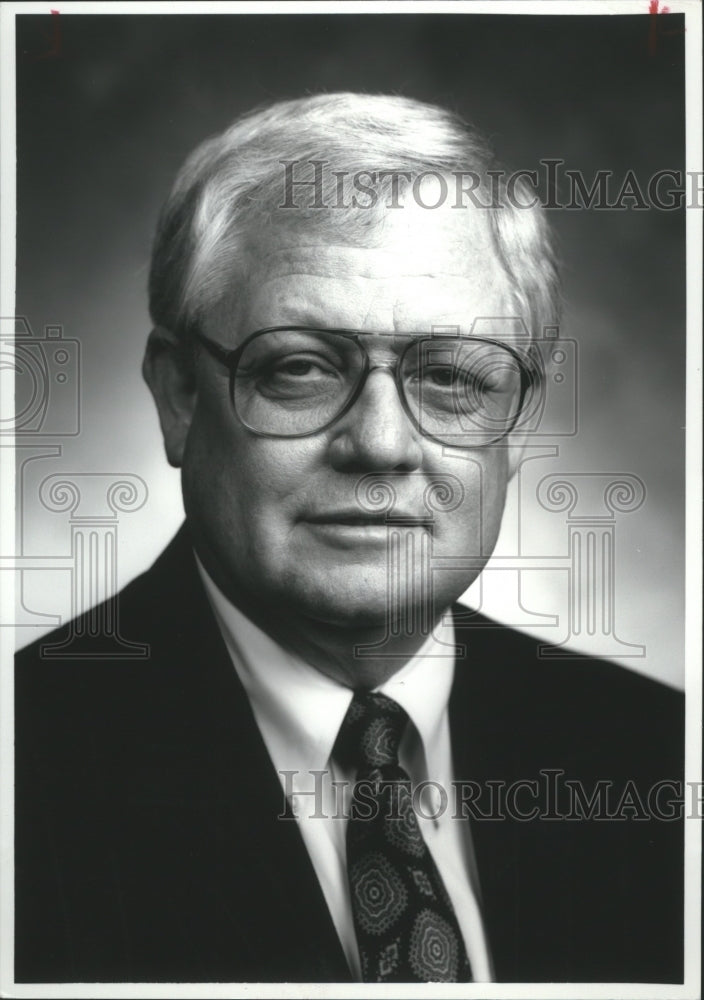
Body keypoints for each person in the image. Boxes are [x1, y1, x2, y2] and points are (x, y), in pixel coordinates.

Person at [15, 93, 684, 984]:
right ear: (178, 396)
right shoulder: (22, 773)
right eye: (300, 366)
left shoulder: (657, 756)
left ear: (519, 423)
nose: (379, 443)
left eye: (450, 375)